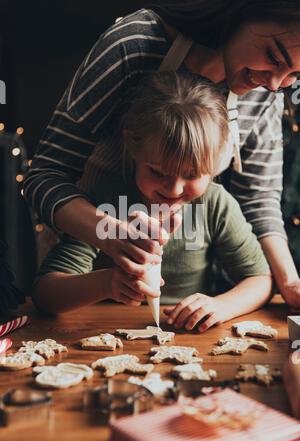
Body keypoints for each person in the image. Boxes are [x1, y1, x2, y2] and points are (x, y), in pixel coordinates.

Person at [24, 1, 300, 308]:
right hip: (88, 238)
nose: (275, 85)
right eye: (274, 57)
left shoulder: (266, 94)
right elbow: (45, 174)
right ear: (244, 9)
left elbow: (259, 201)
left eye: (295, 74)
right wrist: (111, 234)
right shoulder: (134, 45)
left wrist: (290, 282)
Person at [32, 71, 272, 333]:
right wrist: (107, 283)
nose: (174, 189)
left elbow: (260, 280)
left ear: (217, 159)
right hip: (102, 334)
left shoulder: (215, 205)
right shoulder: (108, 203)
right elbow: (46, 294)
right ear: (132, 147)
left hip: (187, 339)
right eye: (157, 172)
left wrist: (223, 306)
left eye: (192, 175)